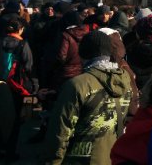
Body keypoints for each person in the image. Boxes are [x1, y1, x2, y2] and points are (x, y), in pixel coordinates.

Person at [42, 30, 132, 165]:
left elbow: (60, 133)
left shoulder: (78, 84)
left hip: (79, 158)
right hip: (112, 155)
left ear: (82, 54)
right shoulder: (124, 78)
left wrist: (52, 162)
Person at [0, 17, 33, 162]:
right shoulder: (23, 44)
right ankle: (10, 151)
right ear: (20, 30)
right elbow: (28, 66)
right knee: (15, 121)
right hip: (17, 86)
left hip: (1, 84)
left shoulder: (0, 41)